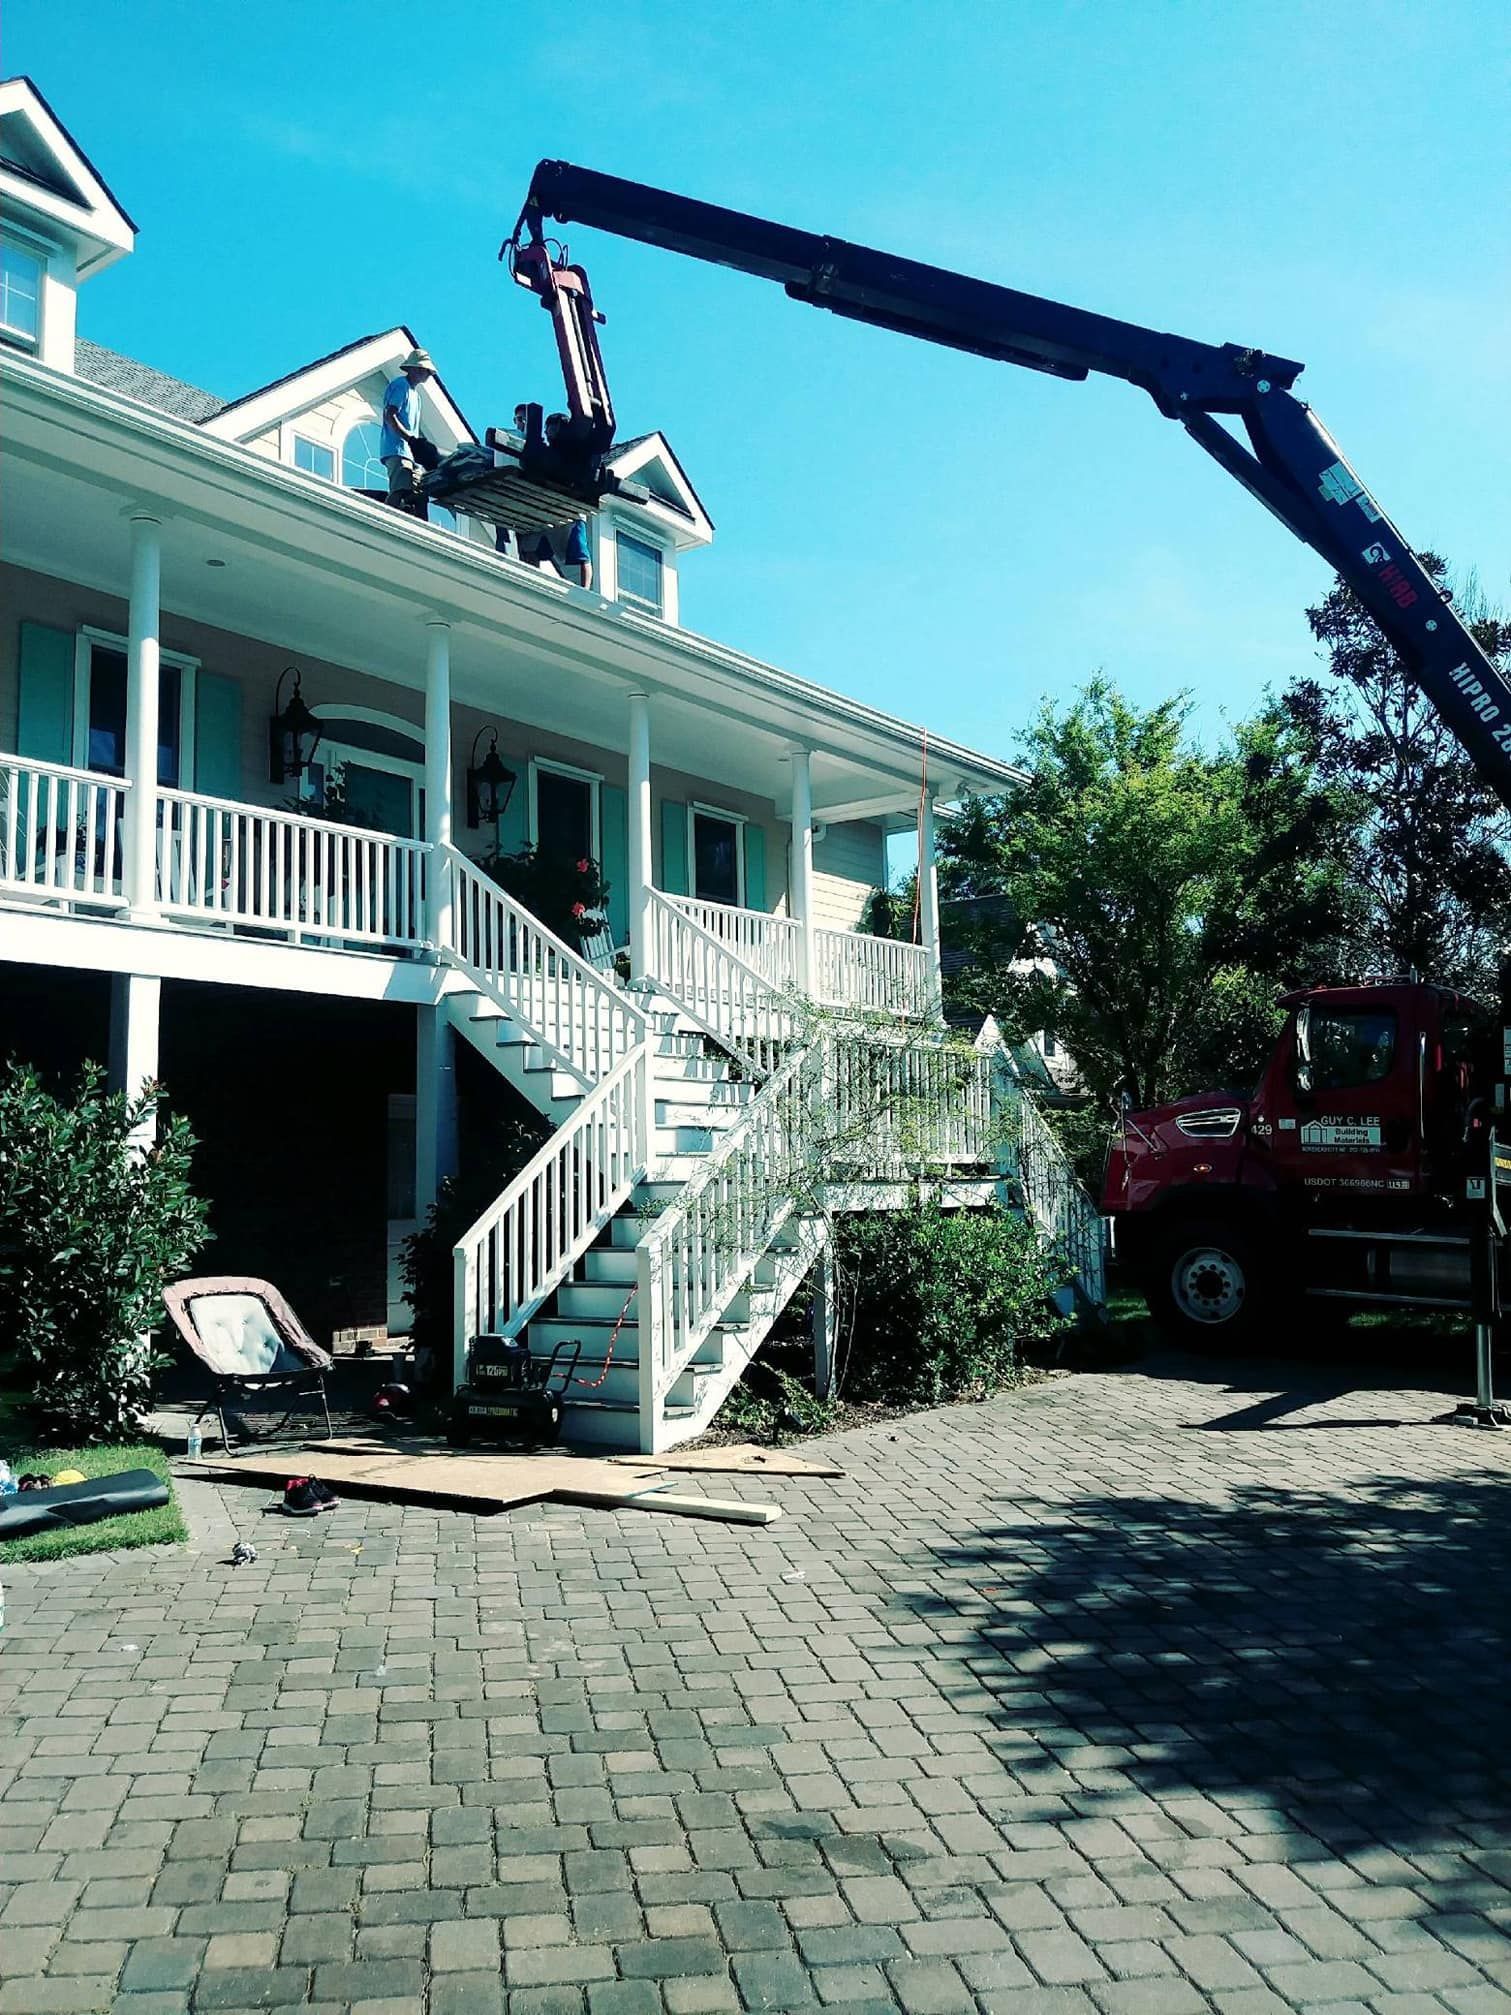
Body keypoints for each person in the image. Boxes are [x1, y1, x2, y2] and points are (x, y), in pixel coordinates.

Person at [380, 347, 434, 511]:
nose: (427, 374)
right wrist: (409, 439)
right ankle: (388, 518)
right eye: (425, 370)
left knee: (416, 489)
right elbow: (391, 415)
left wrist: (415, 444)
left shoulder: (416, 395)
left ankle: (406, 514)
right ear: (414, 369)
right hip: (398, 449)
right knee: (400, 488)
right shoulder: (400, 386)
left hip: (410, 452)